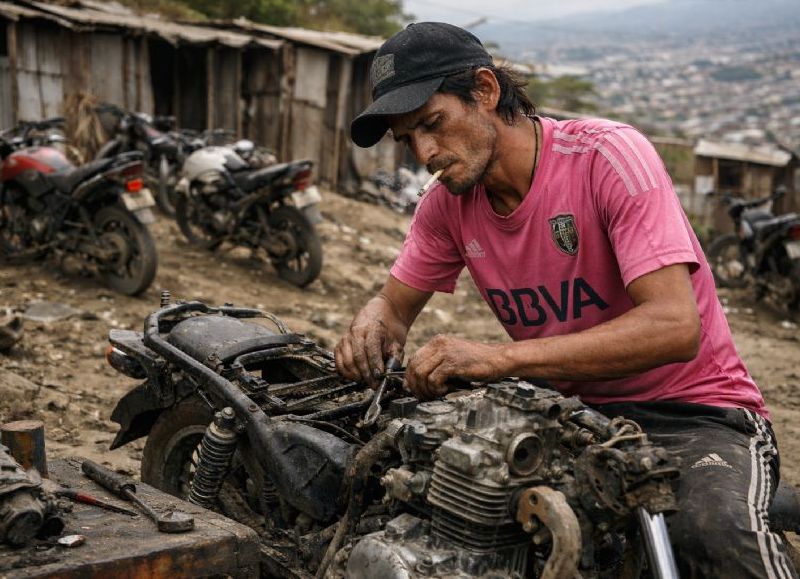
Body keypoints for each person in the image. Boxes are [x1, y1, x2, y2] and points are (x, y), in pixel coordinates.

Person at [335, 21, 797, 579]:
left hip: (694, 413)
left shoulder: (606, 157)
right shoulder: (445, 208)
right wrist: (373, 323)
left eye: (432, 123)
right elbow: (394, 306)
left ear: (484, 90)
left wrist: (499, 359)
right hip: (568, 415)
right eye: (407, 139)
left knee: (711, 537)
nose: (424, 152)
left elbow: (676, 326)